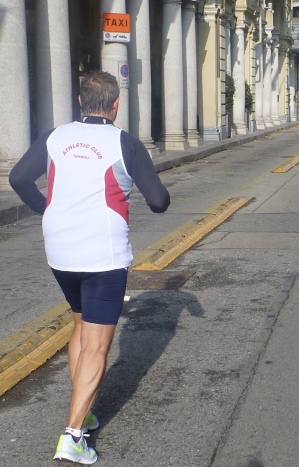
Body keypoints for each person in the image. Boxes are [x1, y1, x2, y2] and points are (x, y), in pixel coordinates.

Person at [9, 71, 170, 464]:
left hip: (59, 251)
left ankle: (85, 412)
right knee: (98, 344)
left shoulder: (55, 136)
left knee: (81, 325)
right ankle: (73, 436)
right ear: (116, 104)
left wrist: (46, 208)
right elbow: (159, 201)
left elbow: (18, 178)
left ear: (81, 102)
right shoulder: (125, 143)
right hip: (103, 255)